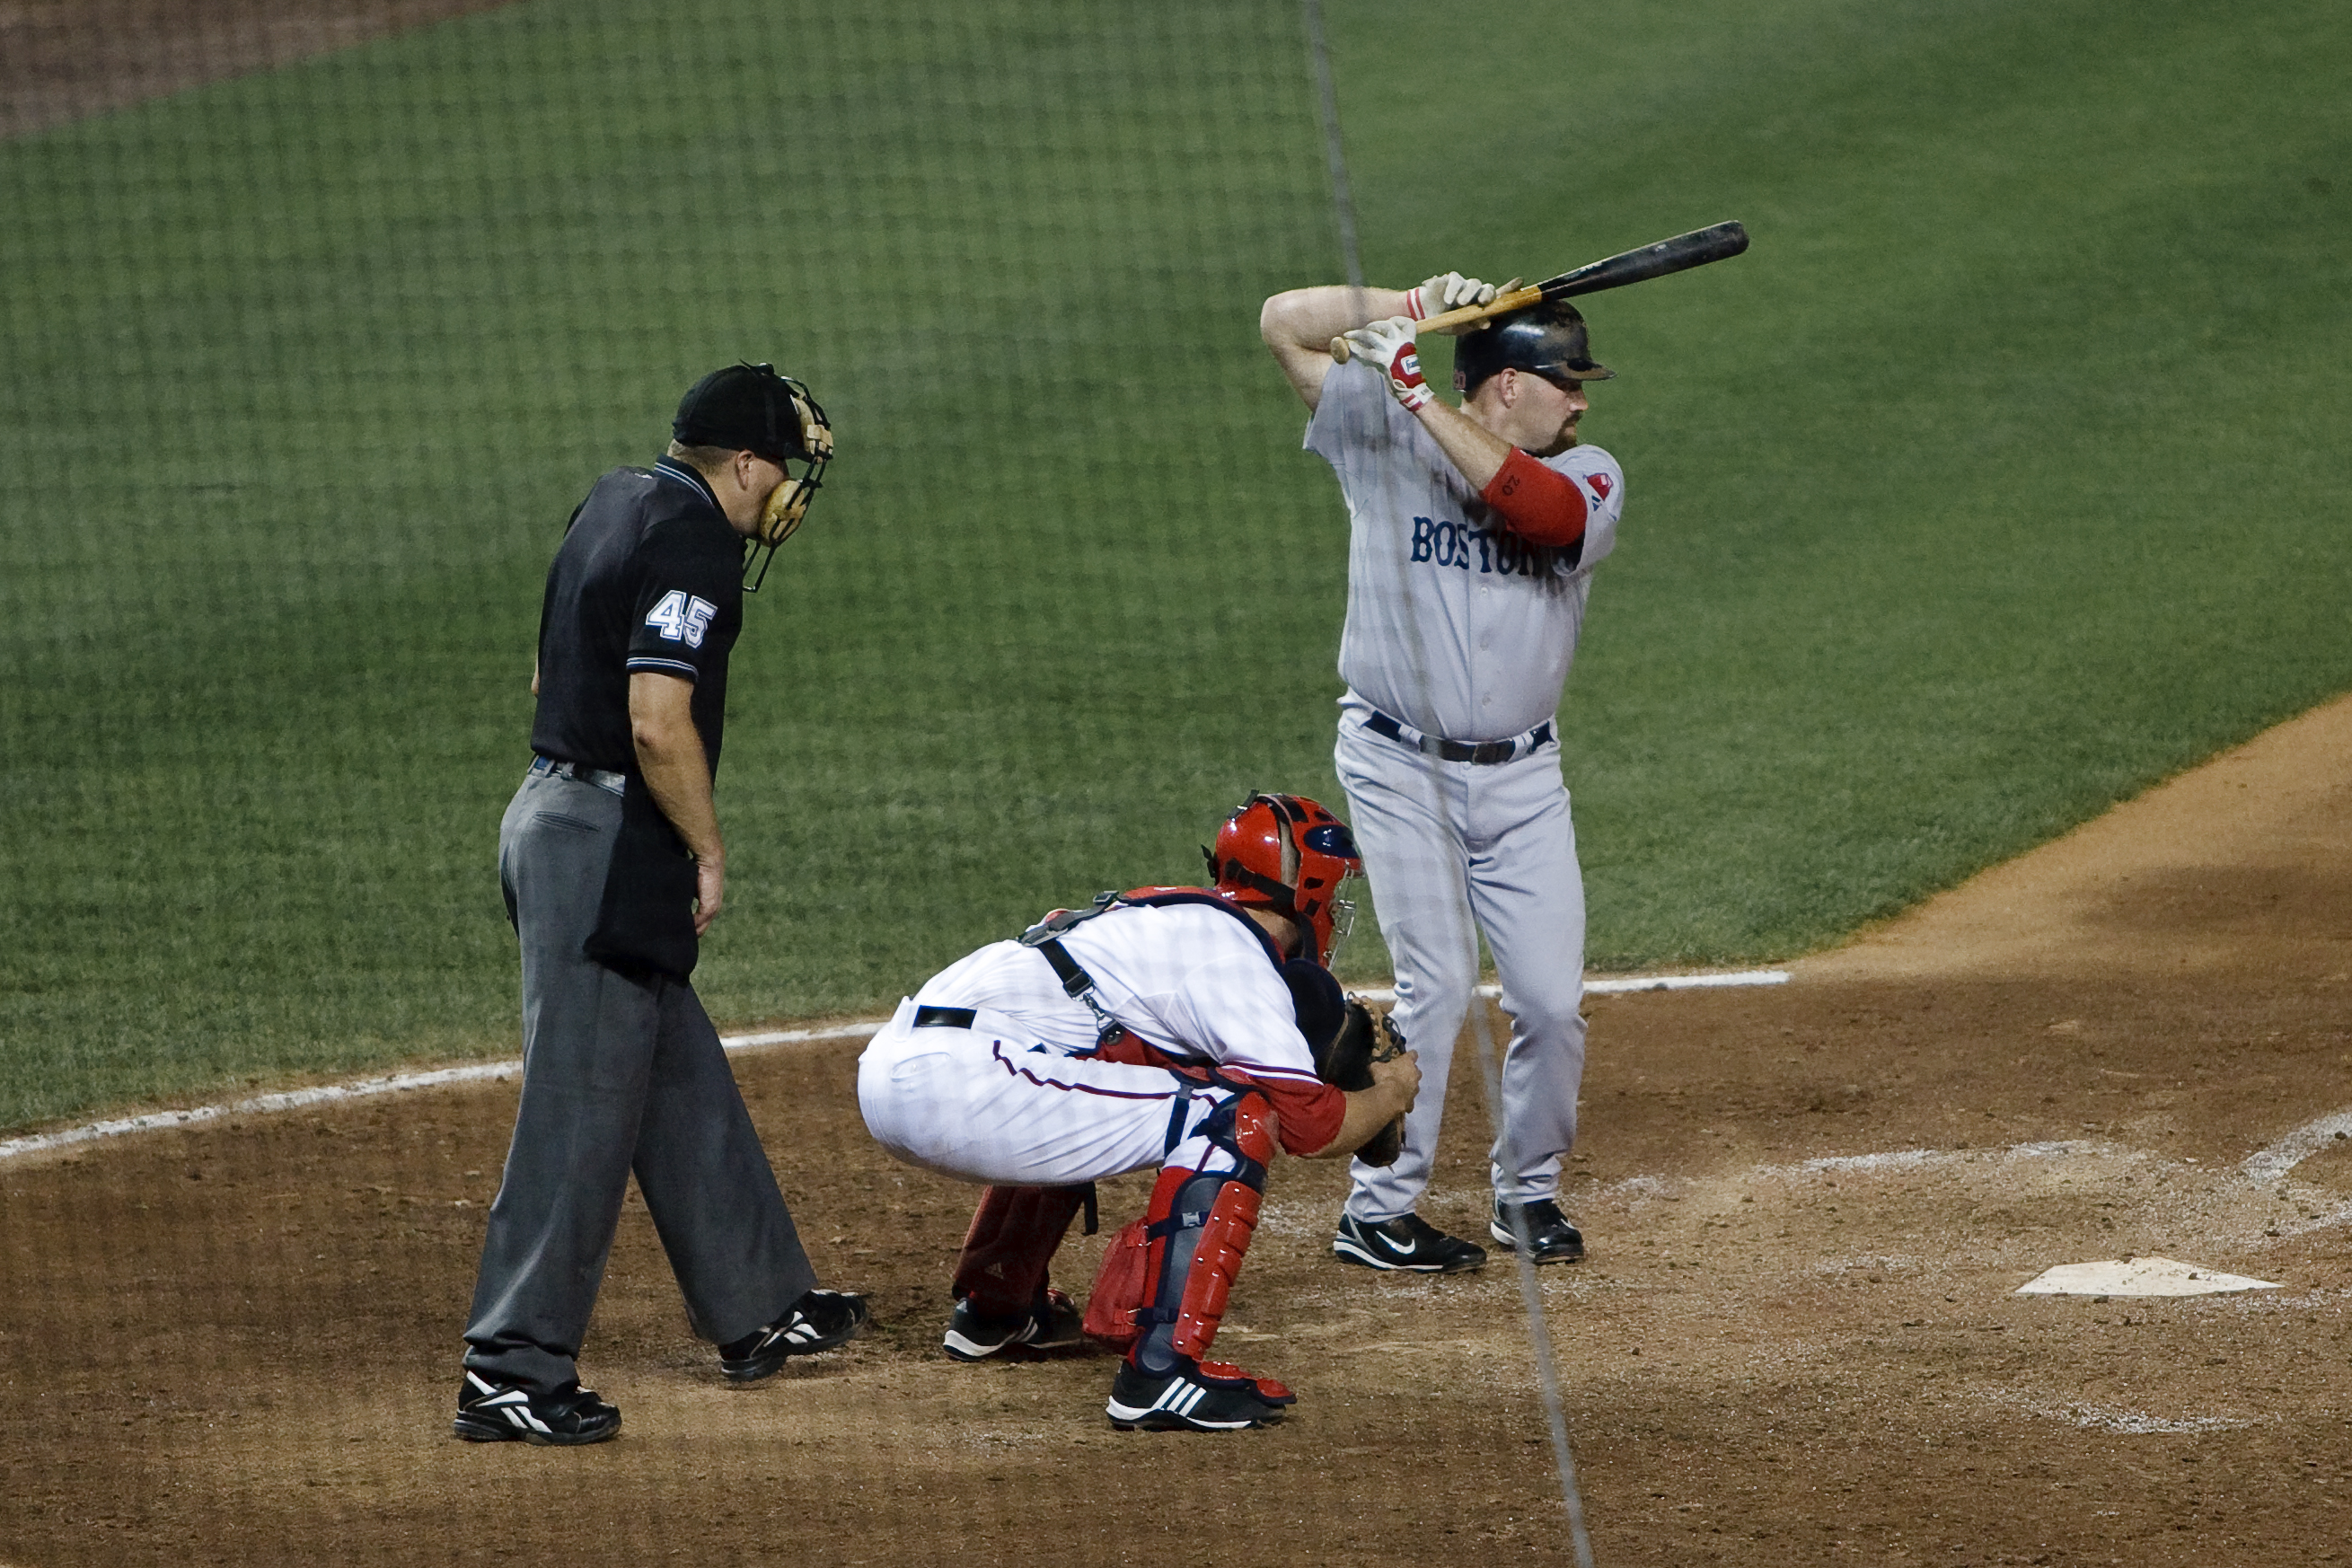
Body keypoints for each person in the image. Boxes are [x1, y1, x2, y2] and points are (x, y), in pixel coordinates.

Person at [454, 363, 864, 1446]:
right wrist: (706, 847)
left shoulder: (615, 498)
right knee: (578, 1110)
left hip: (555, 815)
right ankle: (511, 1365)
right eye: (783, 470)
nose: (790, 496)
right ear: (742, 463)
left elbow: (550, 679)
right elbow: (655, 719)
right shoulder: (696, 543)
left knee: (670, 1063)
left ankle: (759, 1302)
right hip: (602, 840)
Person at [1257, 273, 1626, 1274]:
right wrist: (1416, 300)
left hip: (1523, 783)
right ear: (1507, 384)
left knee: (1549, 1002)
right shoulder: (1377, 435)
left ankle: (1529, 1193)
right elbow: (1282, 324)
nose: (1583, 400)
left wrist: (1418, 391)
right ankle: (1380, 1210)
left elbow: (1536, 511)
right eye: (1567, 382)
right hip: (1395, 761)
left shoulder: (1590, 475)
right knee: (1436, 984)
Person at [856, 794, 1422, 1431]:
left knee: (1103, 1086)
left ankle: (998, 1309)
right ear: (1308, 887)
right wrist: (1391, 1091)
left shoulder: (1167, 917)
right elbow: (1310, 1128)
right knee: (1225, 1117)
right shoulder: (1231, 953)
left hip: (901, 1068)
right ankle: (1161, 1374)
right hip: (963, 1081)